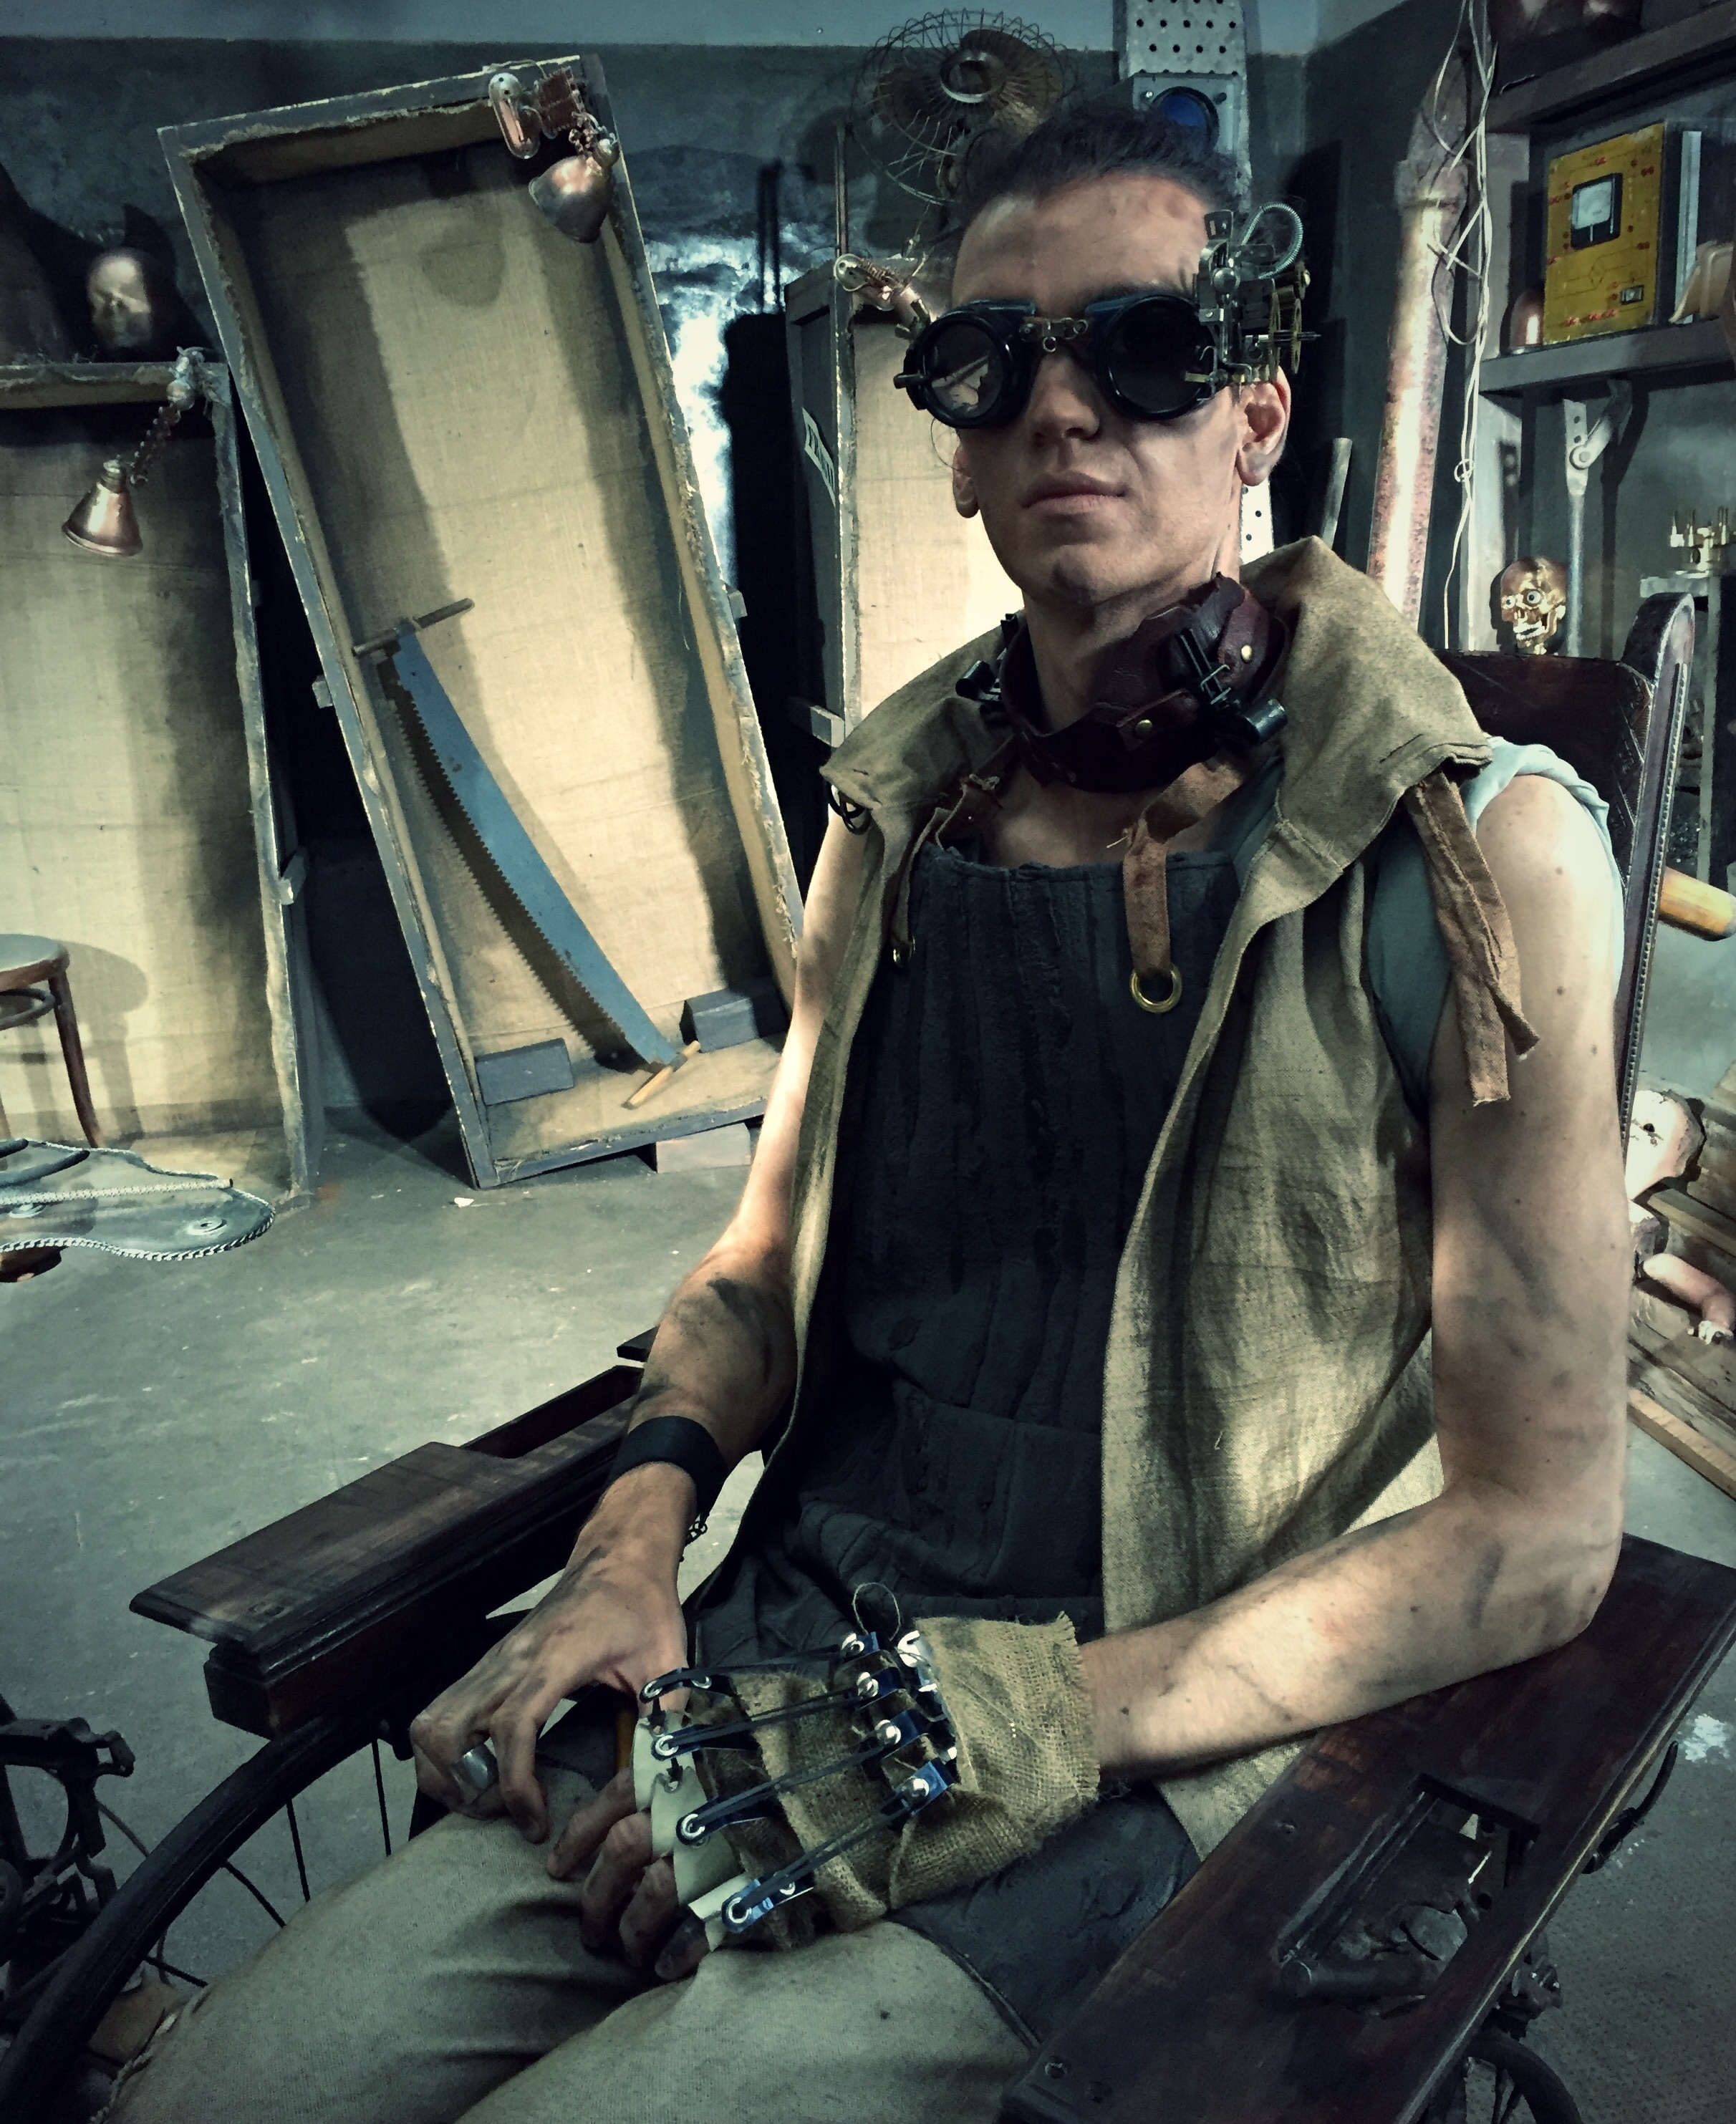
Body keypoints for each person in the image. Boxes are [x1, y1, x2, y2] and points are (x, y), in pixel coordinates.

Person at [109, 106, 1629, 2124]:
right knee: (228, 2094)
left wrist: (998, 1727)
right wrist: (630, 1544)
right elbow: (760, 1261)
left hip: (1166, 1728)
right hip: (790, 1647)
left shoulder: (1472, 859)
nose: (1067, 409)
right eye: (997, 365)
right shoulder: (899, 818)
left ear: (1256, 414)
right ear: (955, 446)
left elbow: (1539, 1538)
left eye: (1144, 350)